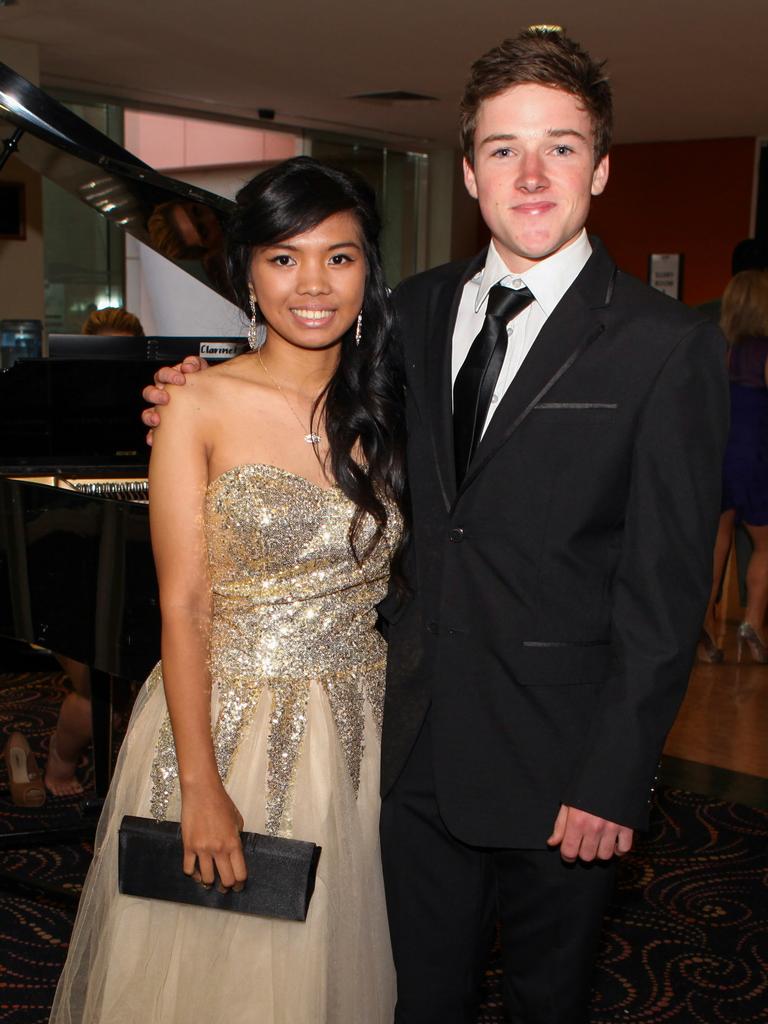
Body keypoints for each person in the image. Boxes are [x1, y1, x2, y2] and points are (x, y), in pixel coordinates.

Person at [143, 29, 728, 1024]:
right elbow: (307, 387)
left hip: (561, 772)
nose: (532, 174)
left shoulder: (666, 346)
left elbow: (664, 592)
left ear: (602, 166)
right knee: (418, 1002)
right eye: (504, 149)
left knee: (549, 1004)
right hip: (404, 751)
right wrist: (189, 389)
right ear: (468, 171)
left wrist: (615, 778)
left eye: (561, 146)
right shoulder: (410, 311)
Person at [50, 157, 405, 1024]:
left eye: (340, 256)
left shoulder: (396, 406)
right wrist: (204, 786)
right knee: (230, 975)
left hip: (369, 721)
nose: (313, 284)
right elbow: (185, 606)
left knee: (335, 964)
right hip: (229, 725)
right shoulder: (196, 408)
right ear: (246, 272)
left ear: (369, 271)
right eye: (284, 258)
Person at [46, 308, 146, 797]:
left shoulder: (162, 409)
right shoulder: (56, 417)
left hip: (140, 565)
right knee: (96, 690)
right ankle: (59, 765)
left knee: (145, 690)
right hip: (73, 564)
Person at [702, 269, 768, 663]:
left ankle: (706, 619)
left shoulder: (717, 349)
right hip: (757, 456)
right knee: (766, 543)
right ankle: (754, 624)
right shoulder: (765, 352)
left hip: (718, 452)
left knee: (716, 539)